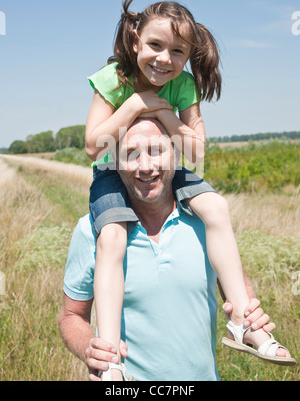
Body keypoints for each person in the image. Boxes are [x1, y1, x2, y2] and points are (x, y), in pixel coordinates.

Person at [84, 0, 295, 380]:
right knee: (111, 237)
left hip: (170, 166)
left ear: (187, 56)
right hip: (113, 171)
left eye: (177, 52)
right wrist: (133, 105)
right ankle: (111, 357)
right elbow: (92, 145)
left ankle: (244, 323)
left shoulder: (182, 85)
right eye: (155, 45)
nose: (165, 59)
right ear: (135, 41)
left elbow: (195, 150)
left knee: (216, 207)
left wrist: (164, 111)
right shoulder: (113, 78)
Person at [59, 119, 296, 381]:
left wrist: (248, 313)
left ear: (177, 151)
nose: (146, 167)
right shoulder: (94, 231)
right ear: (113, 161)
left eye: (157, 151)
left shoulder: (205, 220)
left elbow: (233, 283)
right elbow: (71, 316)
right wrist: (89, 349)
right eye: (130, 154)